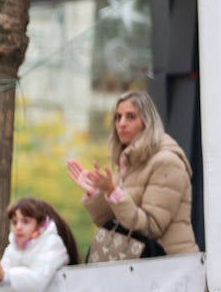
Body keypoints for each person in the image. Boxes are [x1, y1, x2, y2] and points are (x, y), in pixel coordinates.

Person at [67, 89, 199, 258]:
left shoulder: (166, 162)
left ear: (147, 122)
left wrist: (113, 192)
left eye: (130, 117)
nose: (121, 123)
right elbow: (114, 224)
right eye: (118, 117)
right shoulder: (127, 161)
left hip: (172, 264)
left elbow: (151, 227)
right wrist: (98, 193)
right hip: (143, 264)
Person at [0, 197, 80, 291]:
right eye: (14, 222)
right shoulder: (12, 249)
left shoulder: (52, 243)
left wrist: (4, 275)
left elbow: (38, 279)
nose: (18, 227)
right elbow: (4, 286)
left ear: (40, 224)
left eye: (25, 221)